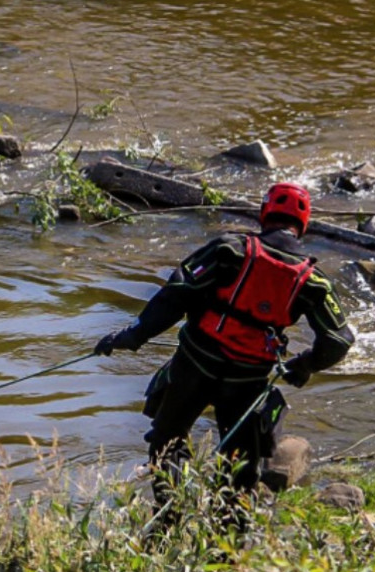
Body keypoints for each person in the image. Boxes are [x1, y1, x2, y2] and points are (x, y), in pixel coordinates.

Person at [95, 182, 355, 522]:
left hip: (194, 366)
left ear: (265, 215)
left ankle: (168, 519)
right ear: (302, 226)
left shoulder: (230, 249)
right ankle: (225, 548)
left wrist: (133, 335)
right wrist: (304, 365)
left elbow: (177, 293)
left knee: (166, 442)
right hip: (247, 380)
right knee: (241, 469)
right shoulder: (312, 281)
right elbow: (339, 339)